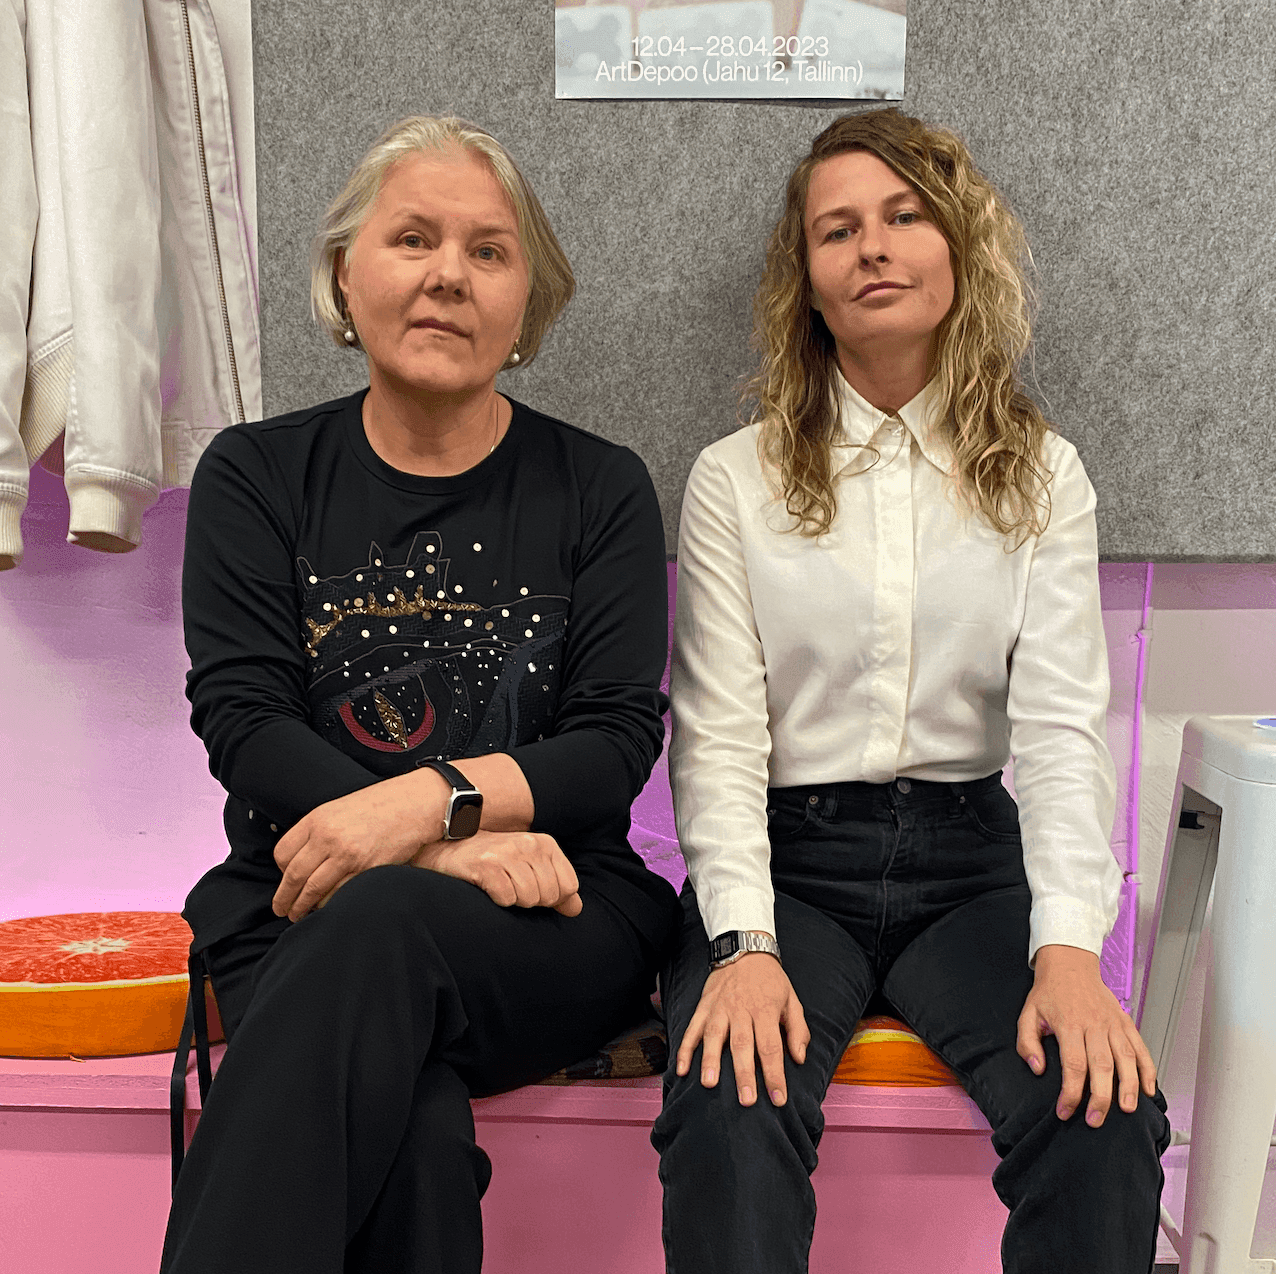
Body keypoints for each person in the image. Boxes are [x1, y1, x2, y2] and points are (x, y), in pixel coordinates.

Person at [651, 107, 1171, 1273]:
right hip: (790, 867)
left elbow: (1060, 728)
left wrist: (1069, 949)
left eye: (903, 216)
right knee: (728, 1098)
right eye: (837, 229)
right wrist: (741, 941)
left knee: (1102, 1109)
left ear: (956, 248)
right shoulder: (734, 479)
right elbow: (716, 735)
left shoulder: (1040, 473)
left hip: (970, 864)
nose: (872, 247)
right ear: (806, 277)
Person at [161, 114, 680, 1274]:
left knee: (384, 918)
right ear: (345, 273)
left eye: (488, 251)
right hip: (300, 895)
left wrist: (418, 808)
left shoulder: (599, 486)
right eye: (412, 238)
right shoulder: (255, 472)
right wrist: (445, 842)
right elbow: (245, 718)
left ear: (527, 302)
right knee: (416, 1140)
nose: (449, 273)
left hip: (554, 911)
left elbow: (611, 742)